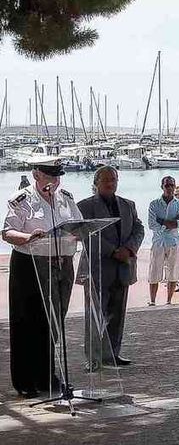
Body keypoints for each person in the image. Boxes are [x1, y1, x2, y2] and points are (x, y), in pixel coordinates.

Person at [3, 157, 83, 398]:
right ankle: (25, 380)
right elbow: (7, 232)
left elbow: (79, 225)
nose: (55, 181)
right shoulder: (23, 200)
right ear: (37, 174)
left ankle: (48, 376)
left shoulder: (66, 198)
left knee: (54, 320)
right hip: (30, 265)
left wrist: (78, 234)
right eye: (50, 176)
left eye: (58, 176)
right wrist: (28, 238)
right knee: (28, 322)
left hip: (61, 264)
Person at [77, 165, 145, 367]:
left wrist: (129, 249)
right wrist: (113, 251)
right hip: (98, 269)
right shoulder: (84, 206)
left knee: (117, 315)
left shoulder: (128, 205)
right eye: (105, 180)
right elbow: (86, 234)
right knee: (95, 316)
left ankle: (112, 354)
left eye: (113, 179)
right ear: (96, 183)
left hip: (123, 267)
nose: (110, 183)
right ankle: (94, 359)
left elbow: (139, 229)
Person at [147, 176, 179, 306]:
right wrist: (169, 224)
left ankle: (169, 300)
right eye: (167, 185)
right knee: (154, 271)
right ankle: (152, 300)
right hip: (158, 242)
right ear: (162, 187)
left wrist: (162, 222)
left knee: (173, 272)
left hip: (174, 242)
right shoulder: (154, 204)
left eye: (171, 185)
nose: (169, 188)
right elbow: (152, 224)